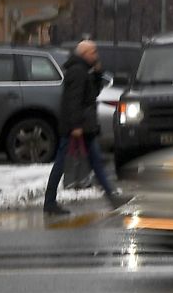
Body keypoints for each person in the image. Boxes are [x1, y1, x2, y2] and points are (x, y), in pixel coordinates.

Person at [44, 38, 126, 215]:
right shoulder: (77, 72)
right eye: (93, 52)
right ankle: (49, 202)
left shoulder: (84, 70)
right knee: (61, 163)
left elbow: (91, 94)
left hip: (84, 125)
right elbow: (73, 101)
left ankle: (112, 197)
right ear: (84, 54)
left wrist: (97, 74)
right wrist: (75, 126)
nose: (96, 55)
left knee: (96, 162)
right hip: (77, 127)